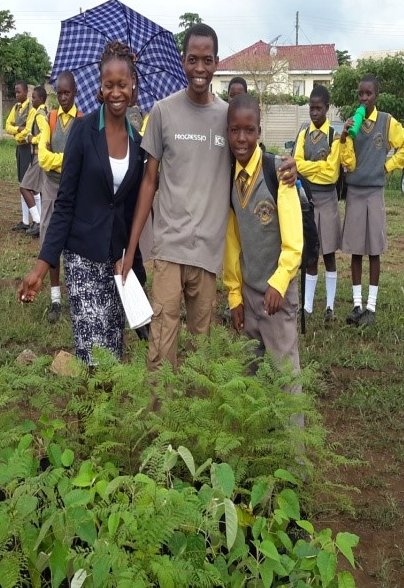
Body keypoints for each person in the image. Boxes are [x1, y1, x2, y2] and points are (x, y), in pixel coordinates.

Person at [120, 23, 297, 371]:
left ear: (216, 62)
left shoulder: (225, 117)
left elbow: (253, 157)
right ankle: (160, 421)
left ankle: (195, 421)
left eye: (207, 60)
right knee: (161, 344)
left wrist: (289, 165)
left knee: (203, 348)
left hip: (208, 254)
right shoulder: (162, 112)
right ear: (183, 61)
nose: (199, 69)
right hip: (169, 248)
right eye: (192, 60)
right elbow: (148, 182)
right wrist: (132, 246)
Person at [17, 43, 145, 363]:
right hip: (82, 258)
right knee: (91, 355)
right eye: (109, 85)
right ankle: (87, 411)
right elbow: (65, 202)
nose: (116, 92)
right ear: (100, 88)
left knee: (113, 354)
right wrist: (41, 266)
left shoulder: (137, 141)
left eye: (123, 85)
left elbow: (129, 211)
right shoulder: (83, 131)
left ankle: (102, 412)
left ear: (133, 87)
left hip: (117, 261)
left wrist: (131, 260)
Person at [223, 94, 302, 373]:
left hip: (275, 297)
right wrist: (235, 296)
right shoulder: (228, 175)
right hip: (248, 295)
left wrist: (279, 282)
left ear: (259, 131)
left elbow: (294, 241)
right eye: (235, 130)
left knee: (285, 378)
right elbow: (232, 243)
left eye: (249, 130)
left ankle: (291, 421)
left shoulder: (277, 172)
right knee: (248, 380)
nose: (241, 138)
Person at [339, 74, 404, 327]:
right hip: (355, 192)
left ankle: (371, 306)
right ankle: (357, 304)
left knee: (374, 249)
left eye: (368, 94)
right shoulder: (353, 123)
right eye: (360, 94)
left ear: (376, 96)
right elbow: (347, 162)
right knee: (355, 250)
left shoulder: (386, 122)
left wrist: (389, 165)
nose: (363, 98)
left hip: (374, 192)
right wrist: (344, 137)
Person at [294, 83, 355, 321]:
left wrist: (310, 168)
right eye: (311, 108)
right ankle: (307, 306)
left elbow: (332, 173)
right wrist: (318, 167)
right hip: (308, 201)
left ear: (327, 109)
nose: (314, 113)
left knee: (328, 253)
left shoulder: (334, 136)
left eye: (318, 108)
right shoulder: (303, 135)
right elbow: (296, 163)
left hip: (328, 200)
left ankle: (329, 306)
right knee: (311, 253)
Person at [36, 71, 82, 323]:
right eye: (60, 93)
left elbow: (83, 159)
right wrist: (68, 160)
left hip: (75, 189)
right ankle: (55, 299)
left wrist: (58, 160)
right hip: (52, 188)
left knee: (75, 245)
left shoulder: (83, 121)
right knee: (50, 241)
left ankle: (75, 296)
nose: (63, 97)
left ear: (75, 92)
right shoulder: (50, 119)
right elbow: (43, 158)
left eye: (68, 92)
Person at [19, 86, 50, 237]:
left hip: (38, 156)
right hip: (42, 157)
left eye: (35, 97)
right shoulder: (47, 113)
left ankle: (37, 221)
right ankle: (43, 221)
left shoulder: (39, 115)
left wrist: (32, 139)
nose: (32, 100)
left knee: (24, 187)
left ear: (42, 99)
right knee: (41, 191)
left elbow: (45, 134)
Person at [5, 81, 34, 231]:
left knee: (30, 186)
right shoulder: (15, 108)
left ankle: (37, 220)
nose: (16, 95)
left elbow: (28, 129)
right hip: (20, 149)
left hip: (29, 148)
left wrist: (17, 135)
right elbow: (7, 126)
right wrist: (18, 129)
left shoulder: (31, 108)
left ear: (26, 92)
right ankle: (25, 221)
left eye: (19, 92)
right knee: (22, 184)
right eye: (15, 92)